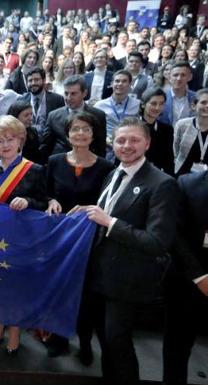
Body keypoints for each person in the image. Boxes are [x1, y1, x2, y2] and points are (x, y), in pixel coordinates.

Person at [76, 117, 178, 385]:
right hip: (100, 274)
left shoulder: (162, 183)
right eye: (121, 140)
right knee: (107, 342)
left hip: (127, 279)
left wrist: (109, 222)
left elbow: (157, 242)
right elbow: (108, 211)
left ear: (147, 143)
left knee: (118, 343)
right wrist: (88, 212)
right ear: (113, 143)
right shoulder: (113, 173)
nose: (127, 145)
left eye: (134, 140)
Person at [44, 111, 115, 360]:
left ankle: (85, 342)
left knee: (86, 295)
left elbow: (111, 204)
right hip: (59, 238)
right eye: (75, 129)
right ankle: (58, 339)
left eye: (86, 129)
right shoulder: (54, 161)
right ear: (68, 134)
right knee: (59, 287)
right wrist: (51, 200)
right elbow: (44, 191)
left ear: (93, 134)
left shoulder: (107, 167)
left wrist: (90, 209)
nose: (81, 133)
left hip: (89, 241)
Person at [0, 115, 49, 356]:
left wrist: (28, 201)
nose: (5, 145)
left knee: (16, 288)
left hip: (21, 240)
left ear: (20, 140)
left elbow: (44, 202)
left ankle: (15, 332)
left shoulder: (35, 170)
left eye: (10, 139)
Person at [162, 169, 208, 385]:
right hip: (189, 278)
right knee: (177, 346)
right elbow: (174, 232)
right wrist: (199, 276)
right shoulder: (187, 183)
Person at [40, 75, 107, 161]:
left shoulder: (98, 115)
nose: (68, 98)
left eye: (73, 94)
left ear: (84, 93)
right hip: (61, 164)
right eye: (66, 93)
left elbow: (101, 147)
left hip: (89, 163)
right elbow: (45, 146)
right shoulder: (53, 116)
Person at [94, 70, 141, 155]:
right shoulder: (99, 106)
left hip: (129, 148)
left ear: (130, 84)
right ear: (112, 84)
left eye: (124, 81)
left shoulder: (137, 104)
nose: (120, 84)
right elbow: (94, 128)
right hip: (106, 149)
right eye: (117, 81)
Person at [17, 67, 65, 136]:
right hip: (28, 140)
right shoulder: (21, 100)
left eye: (36, 80)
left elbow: (60, 124)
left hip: (50, 140)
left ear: (44, 80)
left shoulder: (57, 99)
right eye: (30, 81)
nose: (33, 83)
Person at [173, 89, 208, 176]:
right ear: (193, 105)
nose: (207, 105)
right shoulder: (182, 125)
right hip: (183, 176)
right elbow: (175, 150)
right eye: (203, 102)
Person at [140, 88, 174, 175]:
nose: (157, 108)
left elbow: (169, 159)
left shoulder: (167, 129)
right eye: (153, 103)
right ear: (143, 104)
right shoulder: (131, 126)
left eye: (161, 104)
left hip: (157, 176)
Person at [7, 100, 42, 164]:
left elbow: (37, 156)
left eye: (31, 114)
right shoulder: (4, 134)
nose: (31, 118)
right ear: (15, 117)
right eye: (26, 115)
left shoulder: (33, 132)